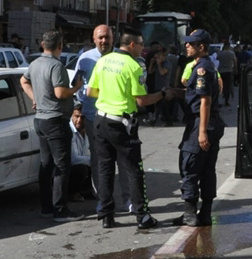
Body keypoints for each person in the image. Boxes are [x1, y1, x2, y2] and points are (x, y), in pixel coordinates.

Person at [87, 29, 175, 229]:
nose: (144, 49)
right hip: (122, 123)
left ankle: (106, 214)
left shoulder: (103, 61)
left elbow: (91, 91)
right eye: (141, 44)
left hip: (101, 120)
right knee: (134, 169)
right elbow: (142, 100)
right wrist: (162, 93)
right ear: (132, 45)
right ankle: (142, 216)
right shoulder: (133, 66)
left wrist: (111, 93)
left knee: (105, 168)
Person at [20, 30, 83, 222]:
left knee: (46, 164)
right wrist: (76, 87)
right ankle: (60, 210)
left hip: (40, 120)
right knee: (62, 166)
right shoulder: (56, 66)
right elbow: (60, 93)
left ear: (42, 44)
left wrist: (35, 98)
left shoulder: (35, 63)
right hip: (56, 120)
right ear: (60, 46)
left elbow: (23, 81)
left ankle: (47, 207)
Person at [174, 30, 224, 227]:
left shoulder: (202, 68)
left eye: (190, 43)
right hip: (210, 122)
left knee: (190, 166)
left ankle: (190, 214)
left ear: (201, 47)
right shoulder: (204, 66)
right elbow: (195, 93)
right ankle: (205, 213)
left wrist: (202, 131)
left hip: (201, 122)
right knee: (207, 169)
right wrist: (176, 93)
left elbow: (205, 101)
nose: (186, 46)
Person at [74, 25, 114, 205]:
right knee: (98, 157)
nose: (104, 41)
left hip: (115, 115)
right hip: (92, 115)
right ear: (94, 39)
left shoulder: (119, 58)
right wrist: (77, 108)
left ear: (113, 38)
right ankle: (103, 197)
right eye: (100, 38)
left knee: (116, 157)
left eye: (107, 37)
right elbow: (76, 84)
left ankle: (120, 195)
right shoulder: (85, 59)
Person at [215, 42, 237, 107]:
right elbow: (235, 61)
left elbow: (217, 58)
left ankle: (218, 101)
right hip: (229, 71)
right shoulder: (231, 53)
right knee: (228, 87)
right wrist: (236, 70)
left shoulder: (220, 53)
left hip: (221, 71)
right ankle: (226, 102)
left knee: (219, 86)